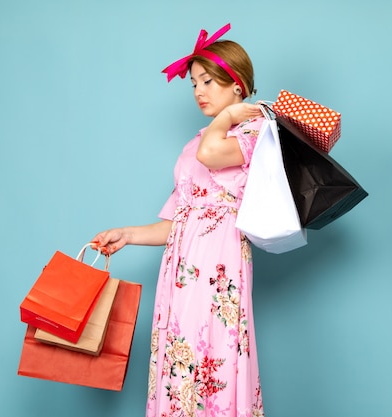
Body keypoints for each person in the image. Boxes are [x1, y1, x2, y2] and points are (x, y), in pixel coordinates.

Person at [91, 23, 265, 417]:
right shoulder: (198, 140)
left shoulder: (256, 130)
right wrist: (127, 234)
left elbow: (212, 156)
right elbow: (179, 219)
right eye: (194, 84)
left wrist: (231, 117)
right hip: (181, 269)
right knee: (180, 358)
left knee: (214, 357)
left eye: (208, 81)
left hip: (219, 267)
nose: (199, 92)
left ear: (237, 84)